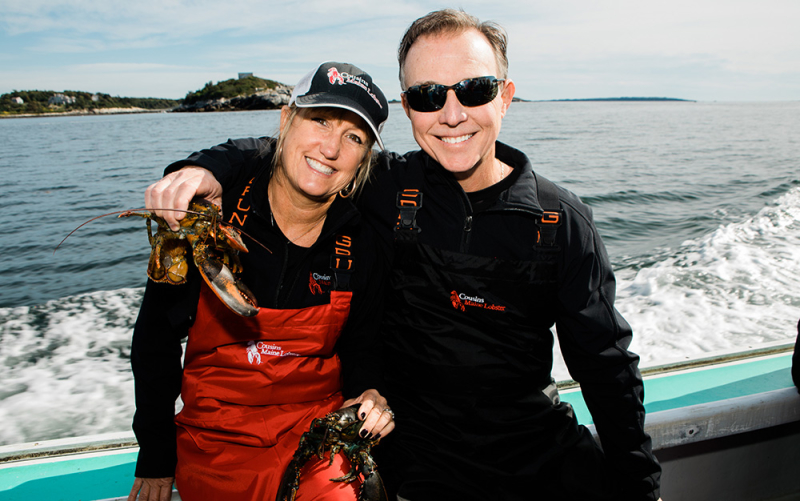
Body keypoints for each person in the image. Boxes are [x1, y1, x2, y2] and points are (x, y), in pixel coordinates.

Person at [144, 10, 662, 501]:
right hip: (415, 457)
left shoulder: (561, 222)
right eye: (429, 96)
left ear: (505, 97)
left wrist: (640, 486)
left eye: (475, 90)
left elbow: (607, 369)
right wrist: (203, 168)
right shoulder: (389, 186)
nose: (452, 114)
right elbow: (294, 157)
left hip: (531, 456)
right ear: (410, 107)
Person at [128, 61, 396, 501]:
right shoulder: (211, 218)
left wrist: (370, 393)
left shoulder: (364, 240)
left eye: (354, 138)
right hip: (215, 439)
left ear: (364, 159)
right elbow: (155, 342)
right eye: (320, 120)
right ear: (287, 120)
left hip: (316, 435)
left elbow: (363, 348)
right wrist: (155, 453)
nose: (331, 148)